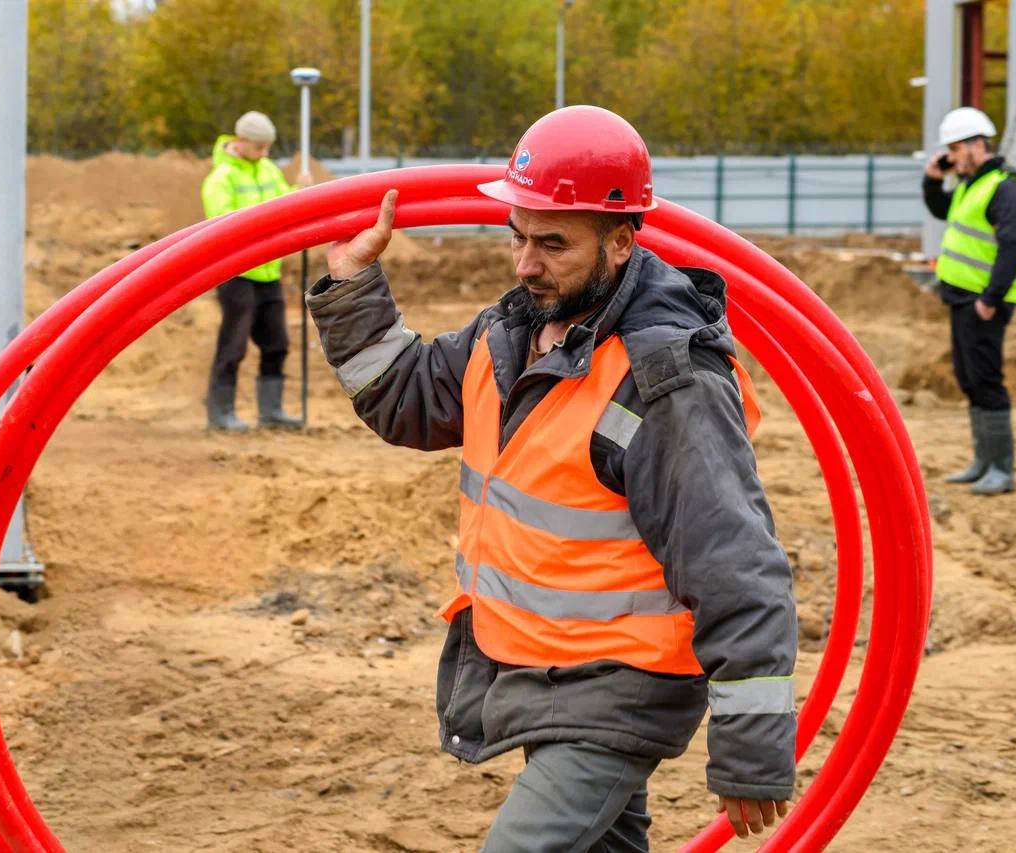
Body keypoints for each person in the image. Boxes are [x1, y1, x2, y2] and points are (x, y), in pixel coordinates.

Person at [306, 106, 797, 849]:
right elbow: (405, 397)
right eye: (518, 237)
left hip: (619, 687)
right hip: (538, 669)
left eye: (553, 243)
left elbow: (736, 562)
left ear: (623, 241)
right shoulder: (511, 332)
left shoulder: (665, 378)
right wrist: (352, 282)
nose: (526, 263)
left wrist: (753, 749)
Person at [924, 106, 1016, 495]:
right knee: (969, 379)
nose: (951, 157)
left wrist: (991, 298)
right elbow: (943, 212)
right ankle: (983, 462)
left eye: (955, 149)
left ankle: (1002, 469)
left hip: (983, 300)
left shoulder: (1006, 187)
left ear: (976, 145)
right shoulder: (971, 184)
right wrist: (932, 181)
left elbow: (1012, 247)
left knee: (987, 380)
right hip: (961, 298)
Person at [201, 110, 305, 431]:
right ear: (241, 141)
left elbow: (286, 204)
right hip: (236, 274)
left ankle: (270, 411)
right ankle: (220, 414)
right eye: (259, 147)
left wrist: (301, 192)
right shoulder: (221, 178)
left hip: (268, 273)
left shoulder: (269, 170)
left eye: (267, 147)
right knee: (233, 345)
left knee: (276, 344)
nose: (264, 153)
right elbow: (222, 223)